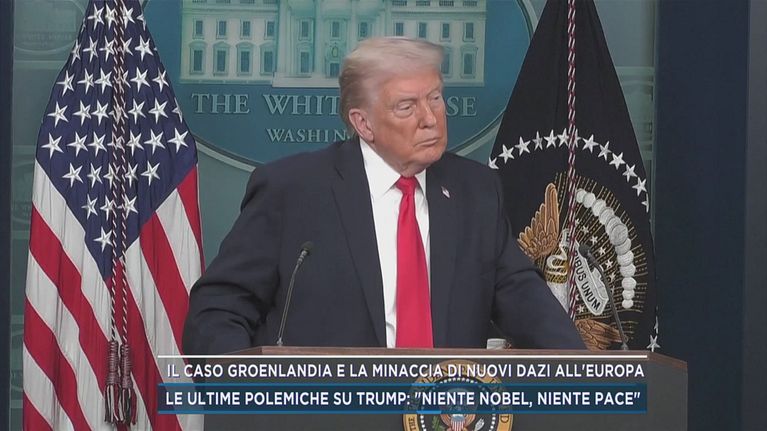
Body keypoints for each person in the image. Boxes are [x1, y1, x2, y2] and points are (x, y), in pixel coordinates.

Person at [182, 37, 584, 355]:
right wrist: (255, 399)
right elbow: (218, 308)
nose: (430, 118)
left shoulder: (475, 191)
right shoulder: (293, 190)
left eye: (435, 97)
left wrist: (585, 377)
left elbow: (524, 299)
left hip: (443, 416)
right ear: (364, 124)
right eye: (407, 106)